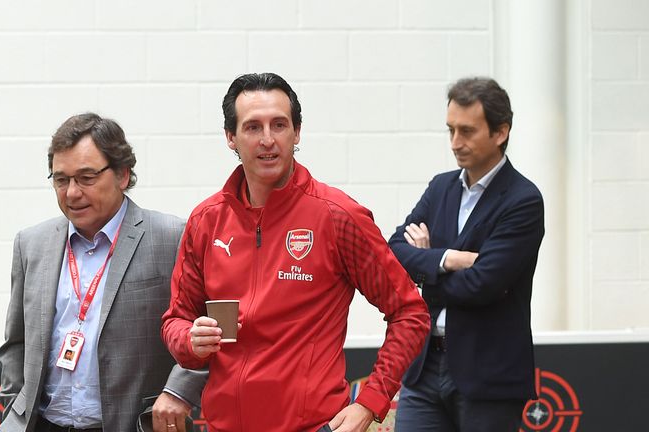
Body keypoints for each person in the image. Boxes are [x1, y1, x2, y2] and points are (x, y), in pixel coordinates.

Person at [161, 72, 430, 432]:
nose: (268, 140)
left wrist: (370, 401)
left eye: (279, 125)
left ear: (297, 133)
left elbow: (410, 313)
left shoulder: (338, 216)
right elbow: (175, 320)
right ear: (230, 137)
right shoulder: (205, 221)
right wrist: (190, 340)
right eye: (253, 127)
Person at [0, 113, 206, 432]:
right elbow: (16, 343)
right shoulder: (31, 244)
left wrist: (179, 392)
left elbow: (205, 330)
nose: (71, 193)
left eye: (86, 178)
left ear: (123, 174)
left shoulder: (170, 237)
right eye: (61, 179)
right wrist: (15, 410)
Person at [388, 77, 545, 431]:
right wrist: (450, 260)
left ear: (500, 131)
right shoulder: (441, 186)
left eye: (467, 131)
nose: (456, 143)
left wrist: (426, 267)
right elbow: (394, 251)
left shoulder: (523, 200)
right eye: (450, 130)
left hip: (488, 377)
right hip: (424, 367)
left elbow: (483, 285)